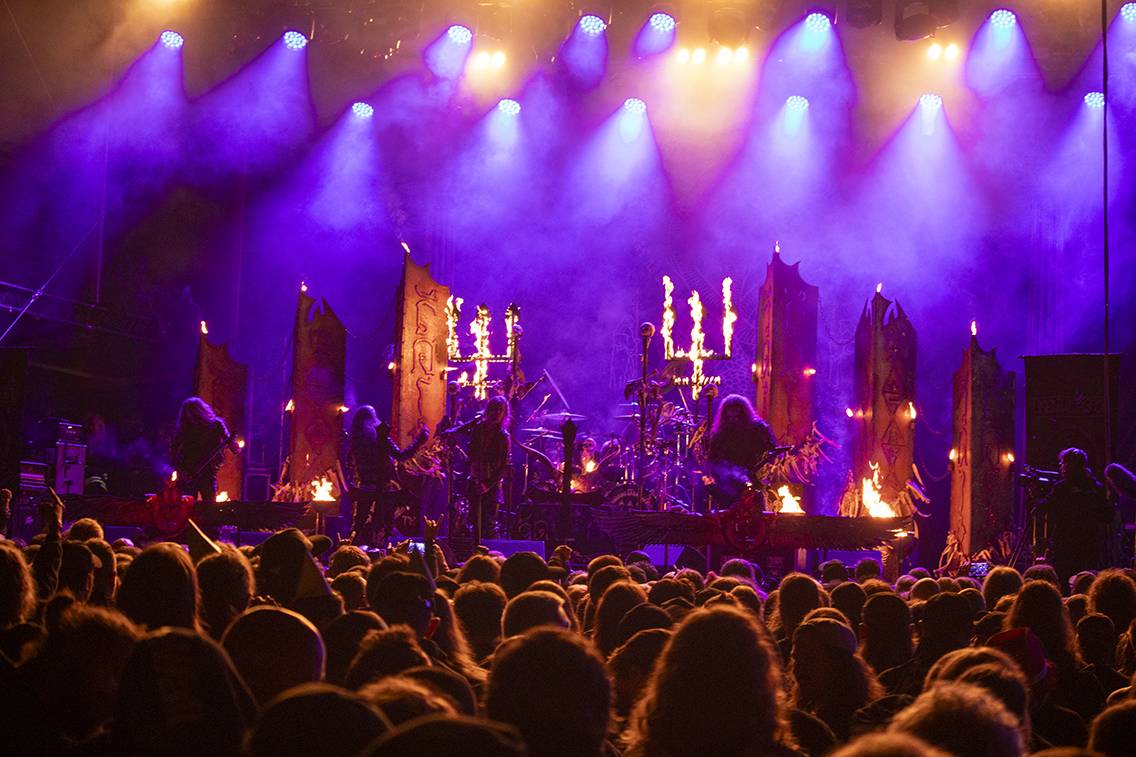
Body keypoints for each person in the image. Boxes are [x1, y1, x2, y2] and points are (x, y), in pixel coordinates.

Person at [346, 405, 428, 545]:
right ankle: (380, 555)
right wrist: (420, 440)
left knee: (359, 524)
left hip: (365, 487)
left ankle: (350, 551)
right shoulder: (380, 435)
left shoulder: (356, 438)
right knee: (382, 528)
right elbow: (401, 456)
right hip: (383, 488)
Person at [1037, 448, 1113, 584]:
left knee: (1064, 580)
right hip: (1090, 543)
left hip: (1065, 544)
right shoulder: (1096, 487)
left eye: (1062, 463)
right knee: (1087, 581)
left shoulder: (1062, 488)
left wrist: (1036, 494)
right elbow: (1107, 515)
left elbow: (1042, 508)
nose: (1061, 466)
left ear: (1069, 465)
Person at [705, 394, 777, 504]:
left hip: (753, 478)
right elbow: (713, 458)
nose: (734, 420)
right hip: (727, 483)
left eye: (737, 416)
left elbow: (771, 449)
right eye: (730, 417)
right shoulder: (720, 433)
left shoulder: (758, 428)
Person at [171, 397, 239, 502]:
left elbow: (233, 447)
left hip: (207, 472)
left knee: (208, 504)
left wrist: (234, 446)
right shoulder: (186, 427)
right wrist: (181, 470)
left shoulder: (216, 425)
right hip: (189, 472)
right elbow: (174, 450)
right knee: (190, 505)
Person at [466, 396, 511, 540]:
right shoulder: (478, 429)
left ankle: (491, 556)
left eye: (500, 410)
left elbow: (502, 467)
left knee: (488, 523)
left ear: (504, 413)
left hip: (491, 485)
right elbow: (471, 452)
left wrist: (488, 485)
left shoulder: (503, 437)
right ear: (488, 410)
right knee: (474, 521)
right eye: (494, 409)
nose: (497, 413)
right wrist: (472, 468)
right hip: (475, 479)